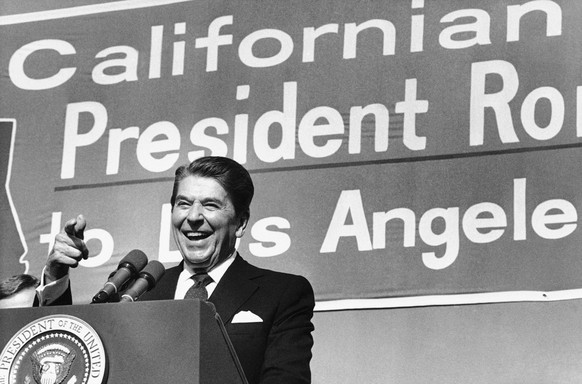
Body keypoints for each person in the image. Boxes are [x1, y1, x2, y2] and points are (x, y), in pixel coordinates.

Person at [40, 156, 315, 384]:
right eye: (183, 204)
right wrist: (56, 275)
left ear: (240, 222)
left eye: (210, 205)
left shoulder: (282, 293)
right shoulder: (135, 292)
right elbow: (74, 353)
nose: (193, 217)